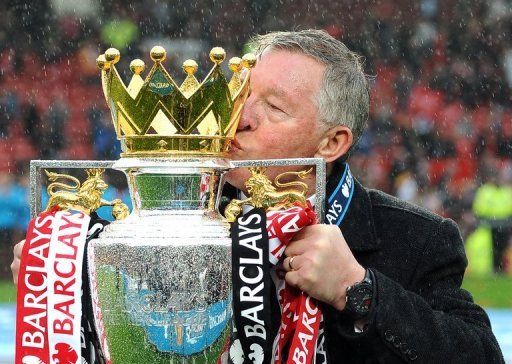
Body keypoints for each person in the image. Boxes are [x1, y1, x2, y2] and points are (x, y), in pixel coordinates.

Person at [12, 30, 504, 362]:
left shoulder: (413, 239)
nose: (240, 118)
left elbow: (479, 355)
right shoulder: (165, 222)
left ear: (331, 143)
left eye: (274, 107)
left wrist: (358, 290)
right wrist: (61, 288)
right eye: (240, 95)